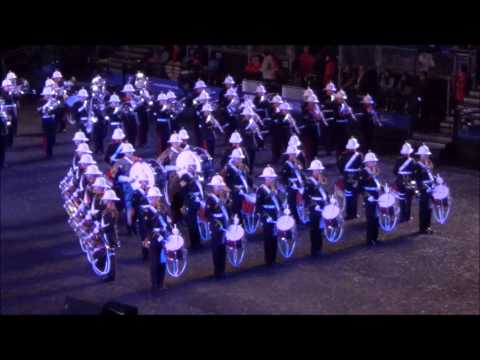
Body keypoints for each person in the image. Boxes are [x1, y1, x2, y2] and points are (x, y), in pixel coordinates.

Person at [140, 186, 171, 292]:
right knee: (154, 262)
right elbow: (145, 227)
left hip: (163, 237)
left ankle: (161, 283)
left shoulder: (162, 209)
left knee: (163, 261)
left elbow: (167, 222)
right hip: (153, 238)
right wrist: (147, 238)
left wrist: (171, 232)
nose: (155, 199)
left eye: (157, 197)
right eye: (153, 197)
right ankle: (154, 284)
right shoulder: (147, 211)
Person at [205, 174, 231, 279]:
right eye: (218, 187)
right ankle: (217, 271)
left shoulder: (222, 197)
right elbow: (208, 214)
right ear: (214, 187)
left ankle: (223, 270)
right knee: (216, 250)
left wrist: (227, 199)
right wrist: (216, 225)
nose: (220, 188)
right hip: (216, 229)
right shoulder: (210, 199)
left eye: (220, 186)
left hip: (223, 227)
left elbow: (227, 210)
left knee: (223, 249)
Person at [256, 165, 282, 266]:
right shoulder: (261, 190)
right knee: (268, 238)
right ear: (265, 178)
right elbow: (258, 206)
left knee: (275, 237)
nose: (271, 180)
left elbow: (278, 201)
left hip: (275, 215)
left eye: (272, 178)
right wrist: (265, 217)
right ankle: (268, 260)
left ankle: (274, 259)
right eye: (269, 178)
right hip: (267, 216)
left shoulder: (275, 189)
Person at [304, 159, 328, 256]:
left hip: (322, 205)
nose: (319, 172)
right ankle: (314, 250)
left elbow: (325, 192)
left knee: (321, 227)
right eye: (317, 170)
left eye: (320, 170)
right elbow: (306, 196)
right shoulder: (309, 182)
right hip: (314, 208)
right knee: (314, 229)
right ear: (313, 171)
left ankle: (320, 248)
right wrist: (314, 205)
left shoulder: (322, 179)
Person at [337, 137, 363, 220]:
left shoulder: (358, 155)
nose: (352, 149)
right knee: (350, 196)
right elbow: (340, 165)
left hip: (352, 177)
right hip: (350, 176)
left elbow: (362, 166)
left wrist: (359, 176)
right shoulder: (345, 155)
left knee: (353, 196)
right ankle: (351, 214)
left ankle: (352, 214)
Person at [359, 151, 381, 246]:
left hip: (376, 195)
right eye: (372, 161)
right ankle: (369, 239)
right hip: (369, 197)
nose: (374, 163)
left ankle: (375, 238)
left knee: (376, 218)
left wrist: (383, 187)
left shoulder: (374, 170)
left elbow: (376, 182)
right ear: (367, 162)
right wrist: (367, 196)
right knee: (370, 218)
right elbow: (360, 187)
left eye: (374, 161)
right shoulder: (363, 172)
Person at [99, 189, 121, 282]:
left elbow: (108, 227)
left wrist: (101, 230)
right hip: (110, 236)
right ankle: (110, 274)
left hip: (109, 237)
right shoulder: (110, 211)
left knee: (111, 257)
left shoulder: (110, 212)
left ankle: (111, 275)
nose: (104, 201)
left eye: (106, 200)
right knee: (110, 256)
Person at [223, 148, 252, 218]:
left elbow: (247, 179)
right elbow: (227, 182)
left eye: (241, 159)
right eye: (238, 159)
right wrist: (234, 189)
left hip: (244, 192)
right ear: (234, 159)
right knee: (237, 212)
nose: (240, 160)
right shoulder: (229, 169)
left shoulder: (242, 167)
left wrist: (251, 185)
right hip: (235, 194)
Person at [280, 145, 305, 224]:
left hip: (299, 185)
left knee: (302, 202)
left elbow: (301, 173)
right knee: (292, 204)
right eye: (292, 154)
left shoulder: (297, 162)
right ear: (289, 155)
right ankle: (296, 220)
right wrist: (290, 184)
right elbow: (284, 178)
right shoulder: (286, 165)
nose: (294, 156)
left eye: (295, 154)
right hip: (291, 187)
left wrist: (304, 179)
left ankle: (302, 217)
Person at [393, 142, 417, 223]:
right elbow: (414, 173)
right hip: (409, 180)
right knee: (409, 199)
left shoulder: (398, 160)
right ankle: (407, 216)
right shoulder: (412, 161)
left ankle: (402, 217)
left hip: (400, 180)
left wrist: (400, 176)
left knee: (402, 199)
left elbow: (395, 171)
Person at [414, 144, 435, 234]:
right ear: (420, 155)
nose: (426, 156)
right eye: (424, 155)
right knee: (423, 209)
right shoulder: (417, 165)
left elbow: (430, 175)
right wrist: (424, 187)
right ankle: (422, 228)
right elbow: (416, 179)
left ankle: (428, 226)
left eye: (427, 154)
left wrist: (436, 179)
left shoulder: (429, 163)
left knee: (429, 208)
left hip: (431, 188)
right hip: (423, 190)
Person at [301, 94, 327, 164]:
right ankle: (308, 162)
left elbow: (319, 119)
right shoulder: (305, 110)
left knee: (315, 148)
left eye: (315, 103)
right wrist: (315, 115)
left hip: (316, 131)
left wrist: (320, 116)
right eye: (312, 103)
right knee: (309, 149)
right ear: (309, 103)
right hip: (308, 132)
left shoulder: (316, 109)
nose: (314, 104)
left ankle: (314, 161)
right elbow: (307, 119)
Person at [131, 174, 152, 260]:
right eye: (143, 182)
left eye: (146, 182)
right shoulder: (136, 193)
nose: (145, 183)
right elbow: (134, 208)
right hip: (142, 218)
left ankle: (152, 253)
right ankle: (145, 255)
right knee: (144, 237)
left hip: (151, 218)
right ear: (140, 183)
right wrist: (133, 221)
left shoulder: (151, 191)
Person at [37, 86, 59, 158]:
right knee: (47, 136)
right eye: (47, 95)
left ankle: (50, 148)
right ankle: (48, 152)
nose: (48, 96)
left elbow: (57, 111)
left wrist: (55, 107)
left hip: (53, 120)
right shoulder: (41, 101)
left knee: (52, 137)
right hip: (45, 120)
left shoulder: (54, 101)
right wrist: (46, 106)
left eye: (49, 95)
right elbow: (39, 112)